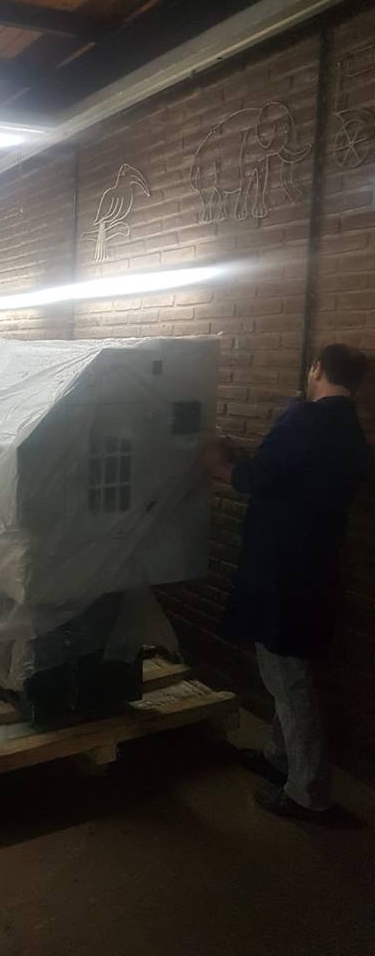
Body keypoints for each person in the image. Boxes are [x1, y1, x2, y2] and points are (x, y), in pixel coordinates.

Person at [202, 343, 370, 822]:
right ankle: (280, 758)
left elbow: (260, 479)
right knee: (289, 670)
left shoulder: (306, 420)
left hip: (281, 567)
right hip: (314, 565)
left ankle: (309, 793)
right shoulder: (350, 430)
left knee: (287, 678)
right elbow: (293, 477)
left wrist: (220, 466)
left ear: (316, 369)